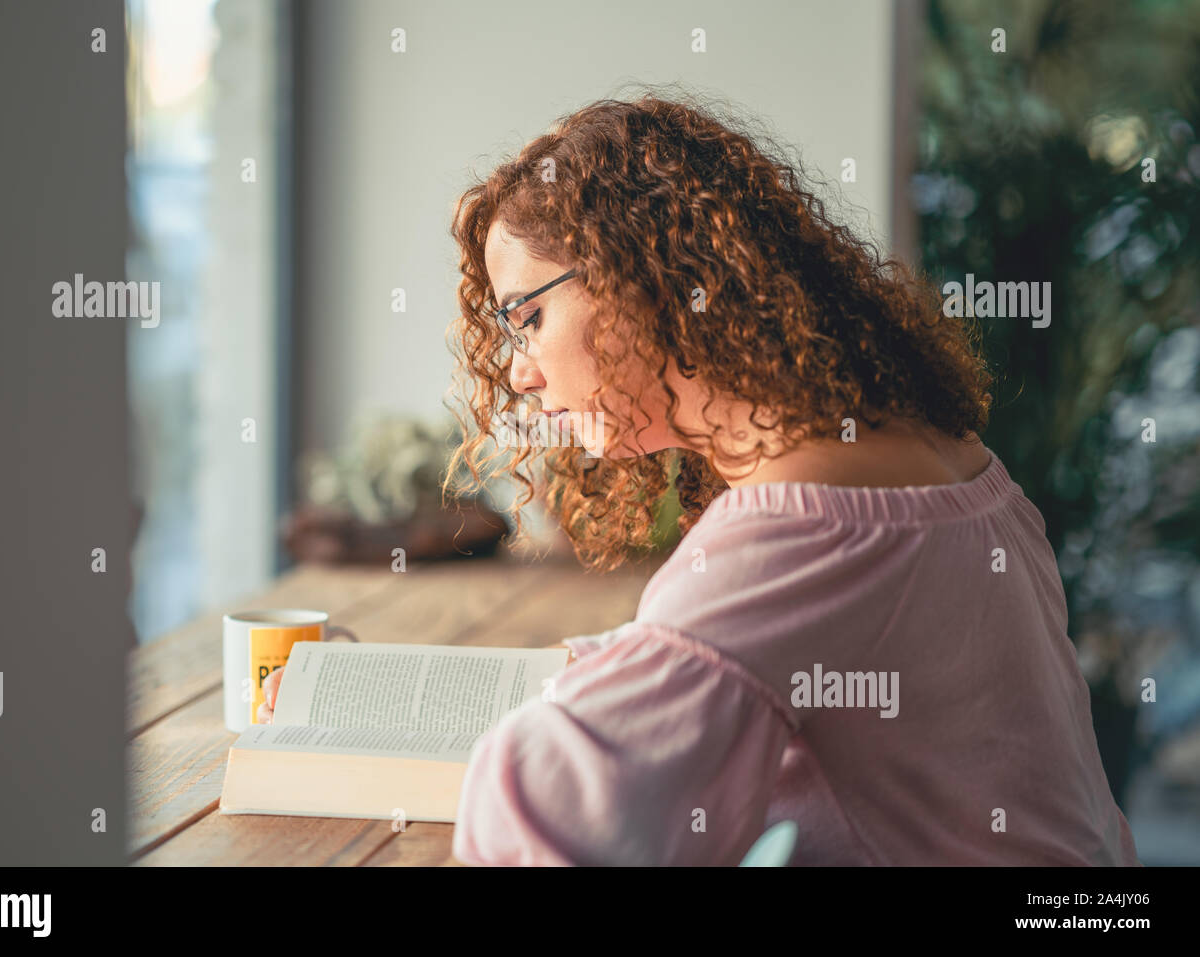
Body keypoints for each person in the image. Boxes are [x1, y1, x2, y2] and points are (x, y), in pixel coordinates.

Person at [269, 91, 1141, 866]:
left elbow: (559, 827)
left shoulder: (798, 526)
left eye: (528, 317)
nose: (522, 372)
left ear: (636, 275)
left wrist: (509, 726)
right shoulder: (943, 452)